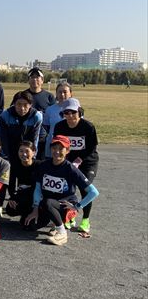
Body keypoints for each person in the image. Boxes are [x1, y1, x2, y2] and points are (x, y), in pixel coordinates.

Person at [25, 135, 99, 246]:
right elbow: (38, 188)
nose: (57, 151)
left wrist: (77, 207)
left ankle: (62, 232)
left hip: (64, 206)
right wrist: (35, 208)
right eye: (54, 148)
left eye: (61, 149)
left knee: (47, 202)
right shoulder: (44, 165)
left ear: (67, 150)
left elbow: (94, 192)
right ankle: (53, 223)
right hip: (48, 206)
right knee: (27, 225)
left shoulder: (71, 169)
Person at [52, 98, 99, 236]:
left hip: (87, 162)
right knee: (66, 189)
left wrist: (79, 160)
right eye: (66, 112)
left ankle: (85, 220)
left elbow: (92, 147)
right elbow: (57, 146)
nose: (70, 115)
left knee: (85, 189)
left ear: (79, 112)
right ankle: (69, 217)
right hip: (68, 161)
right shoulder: (60, 126)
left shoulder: (88, 127)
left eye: (73, 112)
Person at [4, 140, 43, 228]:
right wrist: (12, 197)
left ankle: (38, 214)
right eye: (21, 151)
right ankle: (26, 214)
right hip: (23, 194)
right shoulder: (15, 165)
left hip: (37, 197)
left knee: (28, 226)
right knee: (10, 209)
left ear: (34, 152)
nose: (24, 154)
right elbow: (11, 183)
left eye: (27, 151)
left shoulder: (39, 165)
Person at [0, 90, 42, 161]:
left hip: (26, 153)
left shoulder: (36, 116)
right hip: (10, 151)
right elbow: (3, 138)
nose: (22, 108)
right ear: (14, 104)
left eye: (25, 105)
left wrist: (33, 156)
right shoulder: (5, 115)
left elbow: (35, 139)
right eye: (18, 104)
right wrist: (5, 157)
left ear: (30, 105)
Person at [25, 67, 55, 156]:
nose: (34, 79)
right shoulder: (22, 96)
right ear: (28, 80)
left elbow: (53, 116)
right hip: (26, 136)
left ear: (42, 80)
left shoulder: (49, 96)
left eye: (37, 77)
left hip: (43, 138)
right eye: (32, 77)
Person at [43, 81, 73, 158]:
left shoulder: (76, 110)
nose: (62, 94)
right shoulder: (50, 110)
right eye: (59, 92)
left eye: (65, 92)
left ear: (70, 93)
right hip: (53, 145)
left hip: (69, 145)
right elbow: (46, 127)